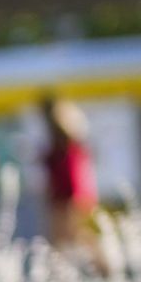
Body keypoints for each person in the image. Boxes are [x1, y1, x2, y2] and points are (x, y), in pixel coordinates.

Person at [40, 93, 98, 248]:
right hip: (67, 193)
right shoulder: (65, 140)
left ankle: (104, 267)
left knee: (76, 233)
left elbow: (68, 166)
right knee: (64, 236)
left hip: (71, 194)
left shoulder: (66, 139)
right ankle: (59, 269)